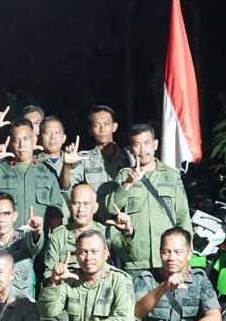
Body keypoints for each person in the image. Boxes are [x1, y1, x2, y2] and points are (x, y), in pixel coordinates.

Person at [108, 124, 192, 274]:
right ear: (130, 149)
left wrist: (186, 258)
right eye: (137, 145)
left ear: (155, 144)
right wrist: (128, 183)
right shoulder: (124, 175)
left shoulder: (171, 176)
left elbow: (183, 217)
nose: (142, 149)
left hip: (168, 260)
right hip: (135, 260)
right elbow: (110, 208)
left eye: (147, 143)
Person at [0, 117, 65, 229]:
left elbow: (55, 213)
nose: (21, 145)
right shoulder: (1, 169)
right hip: (8, 238)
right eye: (16, 140)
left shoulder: (47, 172)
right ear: (10, 143)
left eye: (26, 139)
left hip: (38, 238)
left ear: (34, 140)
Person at [61, 105, 133, 219]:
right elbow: (65, 186)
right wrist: (66, 165)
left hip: (123, 221)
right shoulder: (84, 158)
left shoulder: (129, 157)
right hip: (95, 223)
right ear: (90, 130)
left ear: (114, 127)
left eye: (106, 124)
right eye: (96, 125)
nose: (102, 129)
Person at [43, 183, 127, 277]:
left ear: (95, 207)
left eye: (86, 204)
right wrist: (56, 276)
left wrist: (128, 232)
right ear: (70, 206)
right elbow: (48, 274)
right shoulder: (58, 236)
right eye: (76, 203)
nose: (81, 209)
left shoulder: (107, 233)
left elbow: (132, 257)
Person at [0, 192, 44, 296]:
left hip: (23, 302)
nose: (1, 220)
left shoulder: (24, 240)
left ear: (15, 216)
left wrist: (37, 232)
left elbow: (36, 243)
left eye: (6, 214)